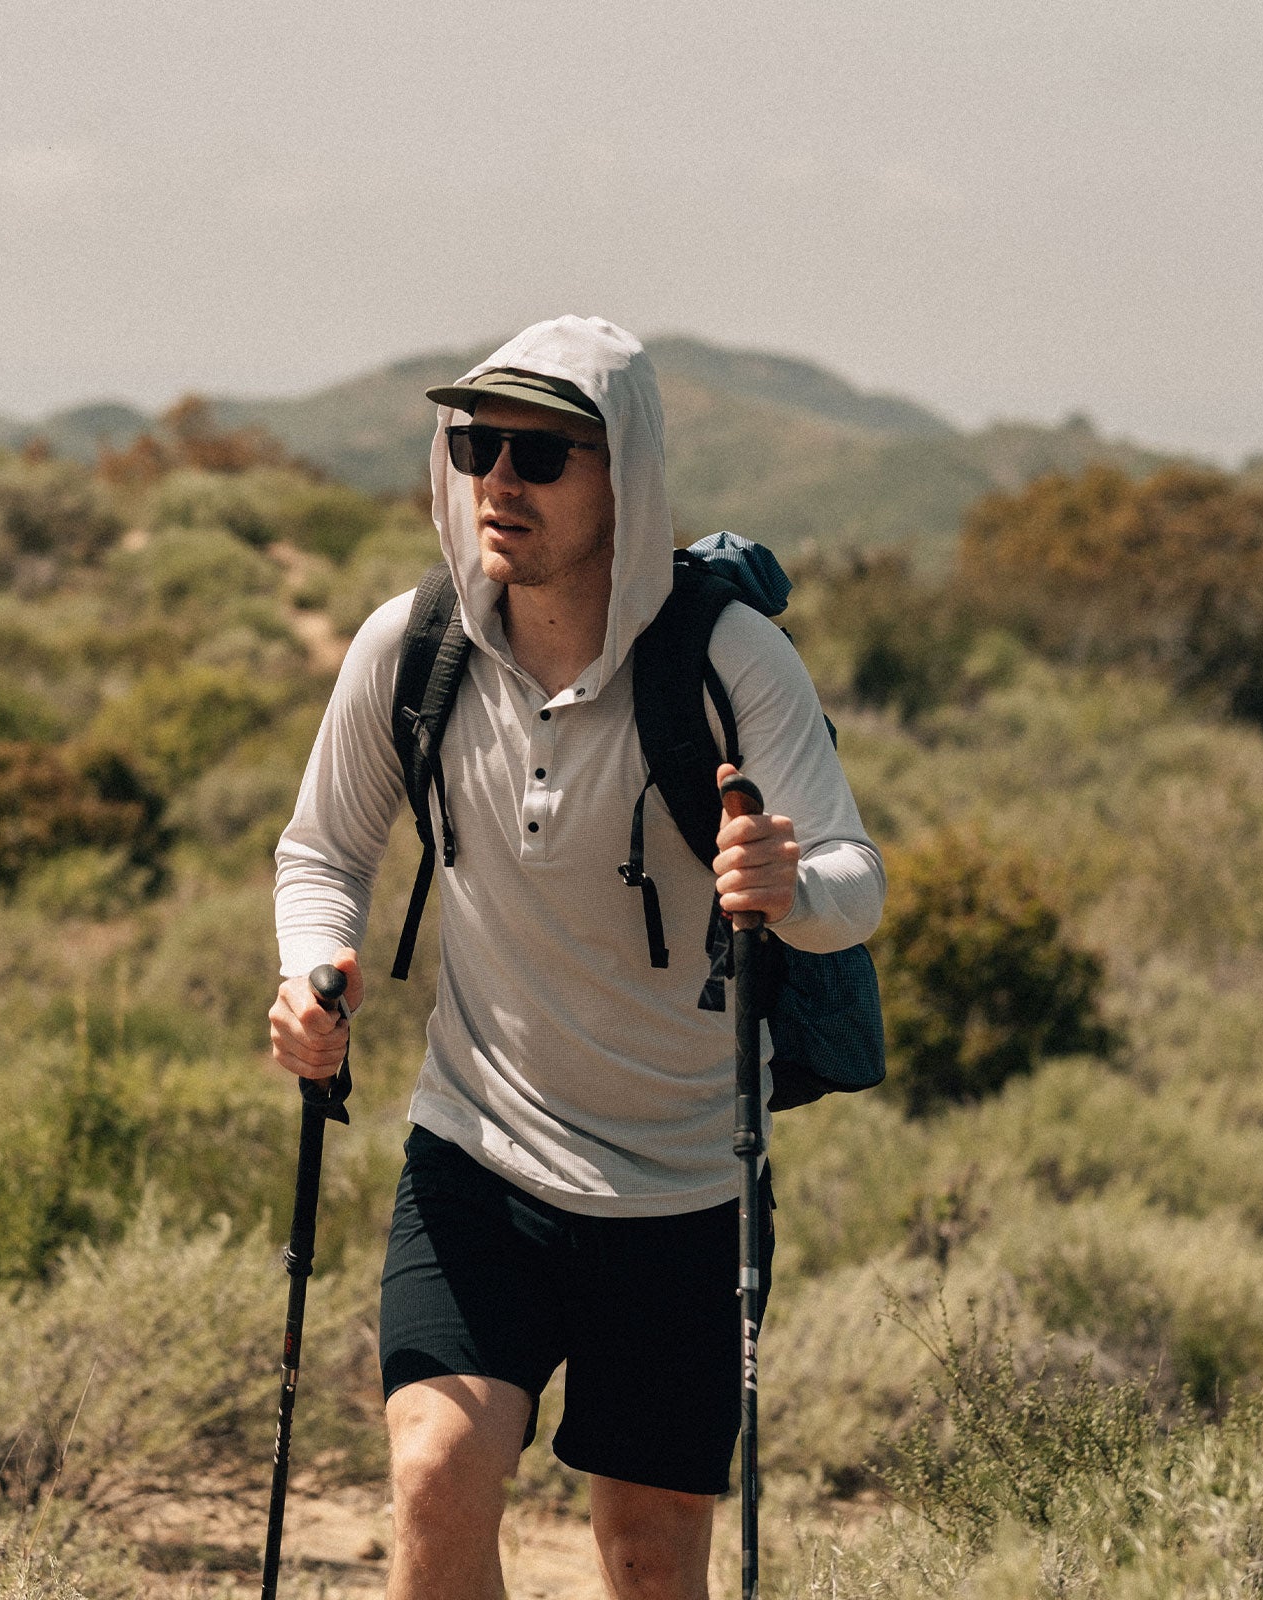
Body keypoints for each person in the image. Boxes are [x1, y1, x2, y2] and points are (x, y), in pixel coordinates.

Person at [268, 315, 884, 1600]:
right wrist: (312, 970)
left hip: (684, 1187)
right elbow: (321, 851)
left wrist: (787, 886)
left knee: (647, 1559)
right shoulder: (410, 647)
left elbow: (853, 884)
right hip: (476, 1156)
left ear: (626, 476)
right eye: (475, 445)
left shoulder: (730, 661)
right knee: (434, 1472)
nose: (498, 478)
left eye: (541, 454)